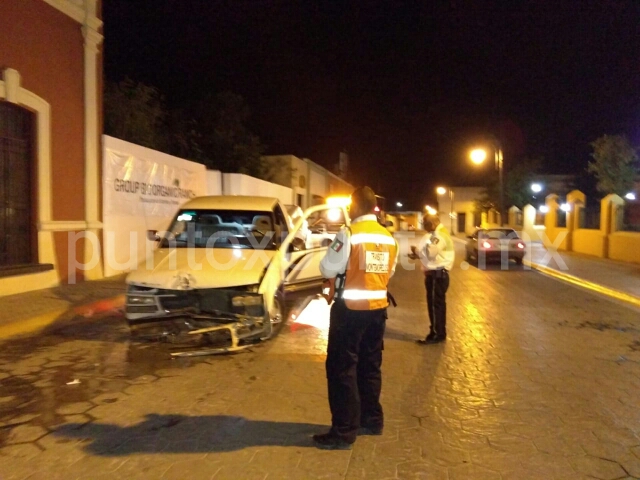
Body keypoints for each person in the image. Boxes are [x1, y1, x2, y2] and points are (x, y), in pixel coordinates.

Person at [313, 186, 399, 450]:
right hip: (377, 312)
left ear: (356, 206)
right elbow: (390, 272)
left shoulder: (349, 234)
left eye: (350, 205)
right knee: (369, 366)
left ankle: (343, 431)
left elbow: (327, 267)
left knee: (342, 369)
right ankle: (371, 420)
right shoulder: (388, 237)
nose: (348, 209)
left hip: (349, 311)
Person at [416, 214, 455, 345]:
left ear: (431, 223)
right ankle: (439, 332)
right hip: (438, 275)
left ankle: (436, 334)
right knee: (438, 305)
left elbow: (431, 253)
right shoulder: (441, 233)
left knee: (434, 306)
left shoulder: (438, 235)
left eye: (425, 224)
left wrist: (418, 251)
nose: (424, 227)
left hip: (436, 276)